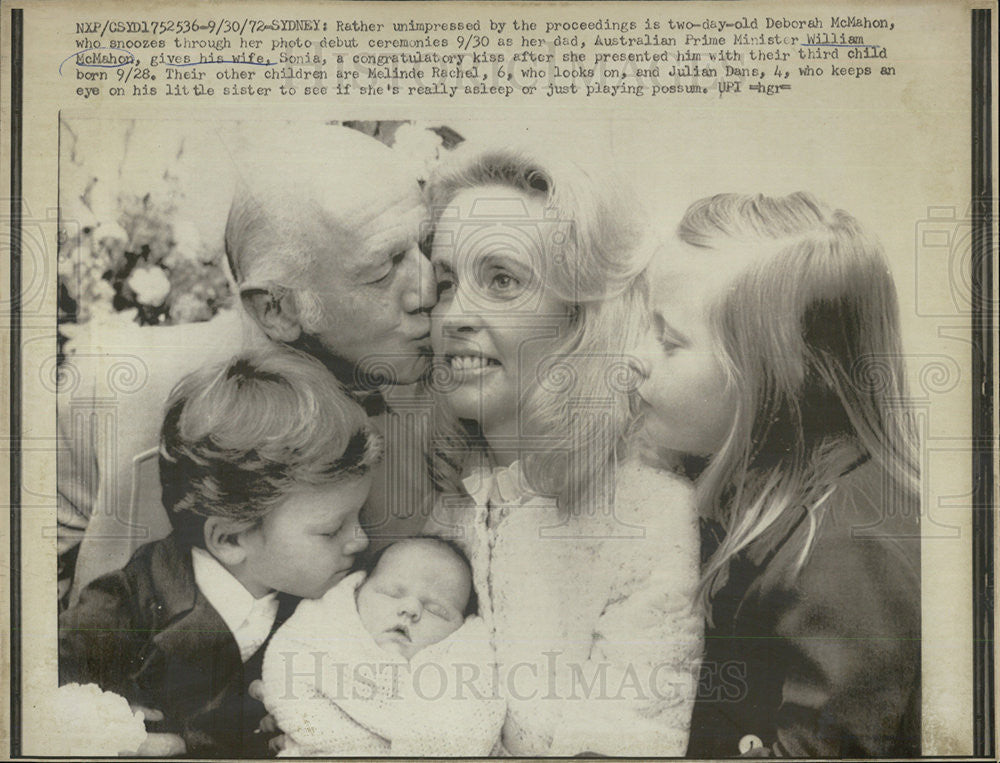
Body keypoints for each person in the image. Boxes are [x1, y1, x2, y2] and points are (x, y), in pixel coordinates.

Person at [60, 124, 437, 603]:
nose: (427, 289)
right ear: (275, 309)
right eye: (383, 269)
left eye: (425, 247)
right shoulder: (120, 391)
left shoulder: (445, 400)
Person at [423, 143, 704, 756]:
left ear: (583, 315)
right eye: (446, 282)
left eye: (502, 280)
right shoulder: (445, 484)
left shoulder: (649, 514)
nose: (454, 315)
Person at [630, 192, 920, 757]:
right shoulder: (737, 477)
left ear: (770, 380)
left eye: (668, 341)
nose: (637, 357)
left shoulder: (850, 551)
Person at [59, 349, 381, 757]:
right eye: (332, 529)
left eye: (360, 516)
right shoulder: (129, 602)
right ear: (230, 540)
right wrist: (108, 734)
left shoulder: (335, 602)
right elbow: (36, 692)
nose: (361, 540)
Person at [260, 537, 505, 756]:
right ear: (355, 593)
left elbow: (466, 730)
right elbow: (289, 682)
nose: (410, 609)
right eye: (391, 594)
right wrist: (301, 725)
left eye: (436, 611)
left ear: (459, 631)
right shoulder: (322, 640)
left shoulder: (454, 676)